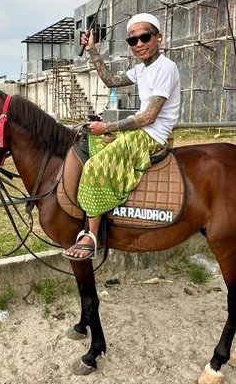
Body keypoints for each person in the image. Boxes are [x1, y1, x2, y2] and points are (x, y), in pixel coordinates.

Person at [63, 13, 181, 261]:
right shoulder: (141, 69)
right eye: (132, 40)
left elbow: (149, 117)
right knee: (90, 141)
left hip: (152, 135)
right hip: (140, 129)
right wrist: (93, 50)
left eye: (145, 37)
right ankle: (105, 202)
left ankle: (91, 235)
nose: (139, 44)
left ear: (158, 38)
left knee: (95, 165)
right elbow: (110, 80)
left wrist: (107, 127)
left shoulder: (166, 68)